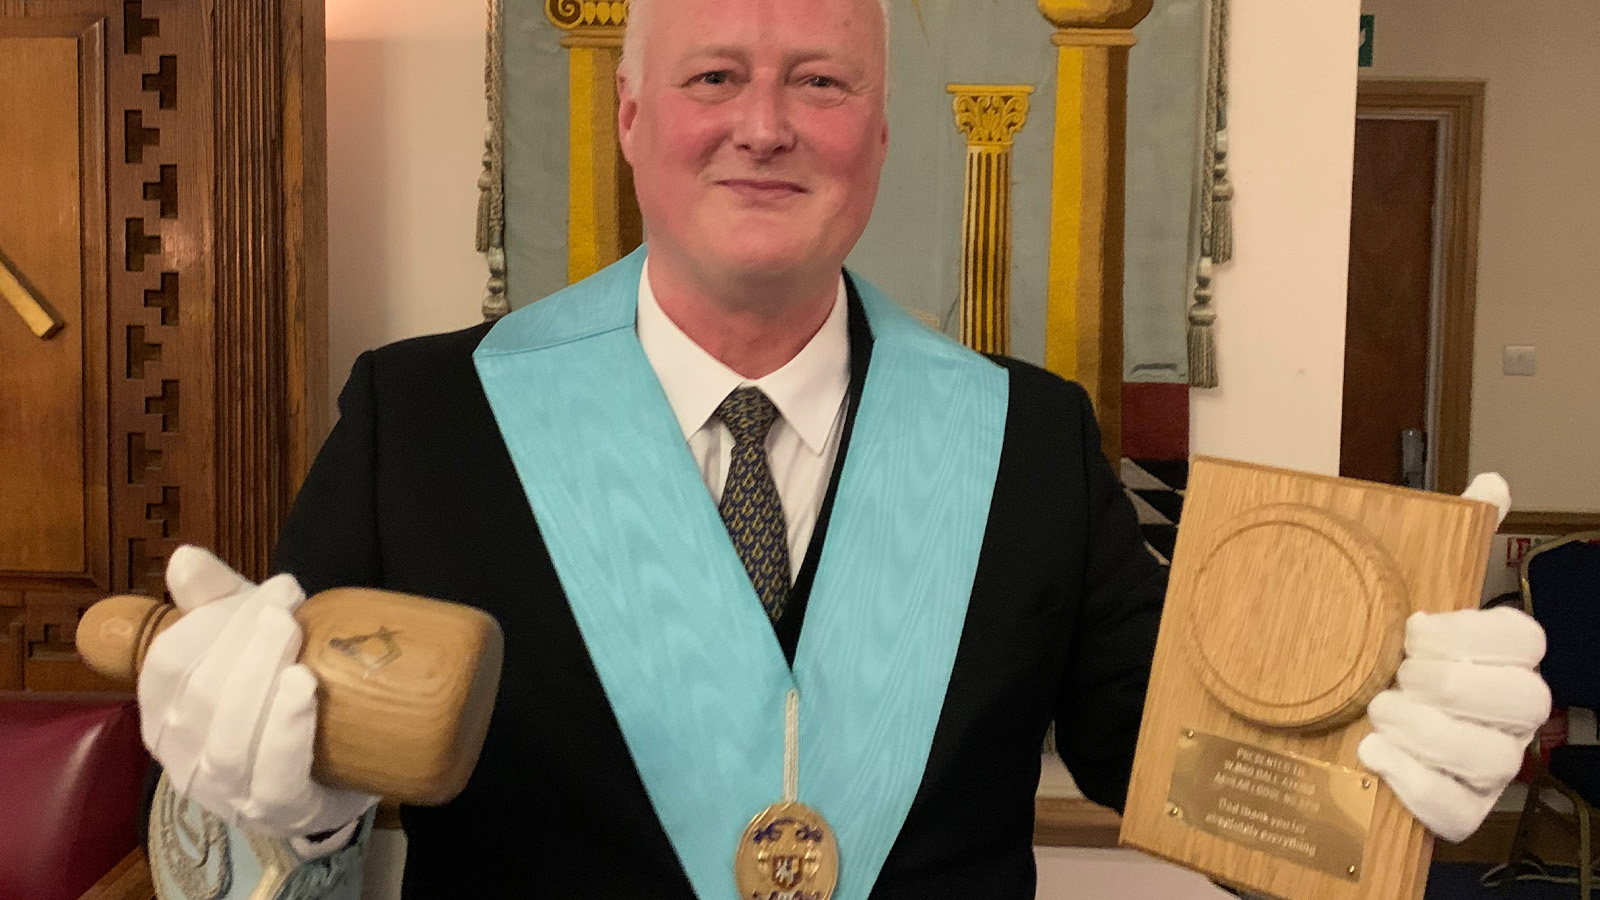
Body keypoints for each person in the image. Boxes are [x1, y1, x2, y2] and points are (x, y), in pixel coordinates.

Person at [136, 0, 1553, 897]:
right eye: (713, 75)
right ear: (633, 115)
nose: (765, 124)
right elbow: (273, 796)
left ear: (880, 136)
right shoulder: (425, 417)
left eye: (821, 82)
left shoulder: (1029, 437)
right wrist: (287, 805)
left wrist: (1374, 752)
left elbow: (1160, 753)